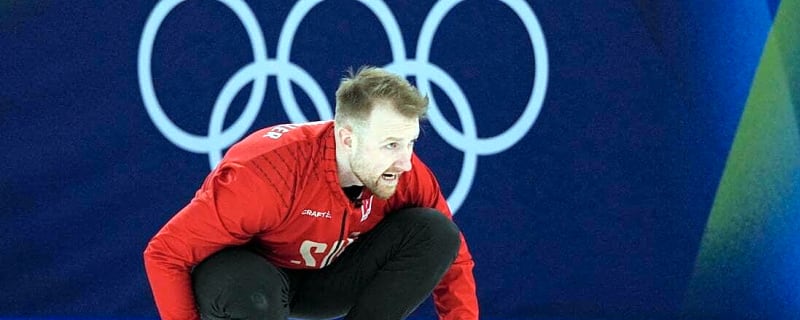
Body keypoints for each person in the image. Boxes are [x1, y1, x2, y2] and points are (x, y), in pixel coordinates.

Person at [143, 66, 478, 320]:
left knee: (438, 232)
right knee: (250, 291)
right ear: (347, 139)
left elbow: (455, 259)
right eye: (391, 145)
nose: (405, 162)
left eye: (411, 143)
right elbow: (164, 254)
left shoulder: (403, 172)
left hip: (325, 280)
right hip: (252, 280)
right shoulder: (266, 174)